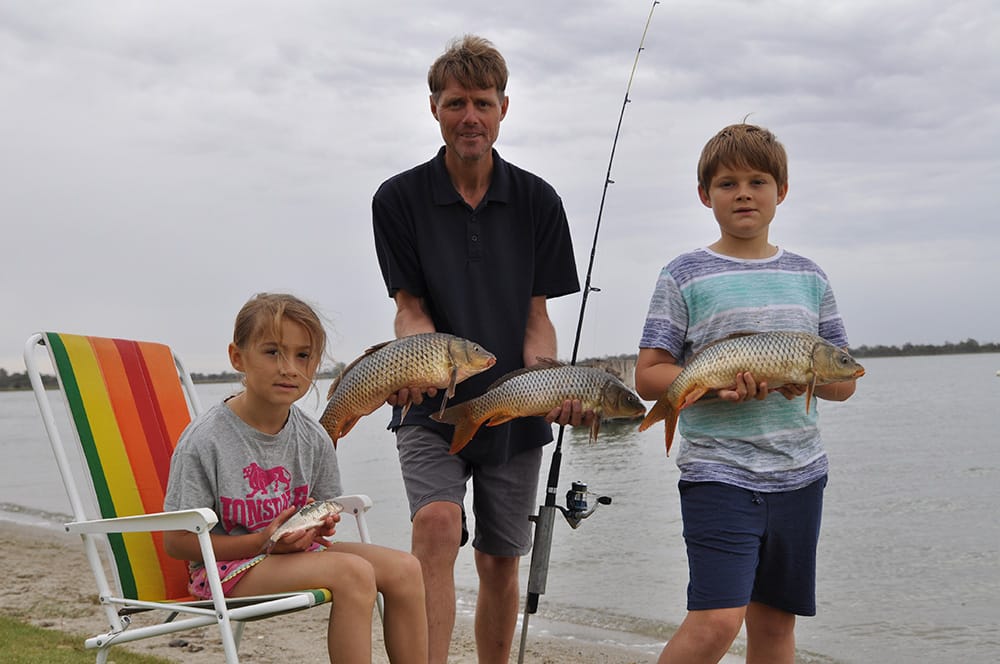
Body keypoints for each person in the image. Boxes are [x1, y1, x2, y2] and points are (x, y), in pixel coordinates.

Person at [371, 35, 587, 664]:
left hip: (513, 407)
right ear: (434, 108)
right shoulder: (397, 199)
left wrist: (547, 386)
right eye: (457, 102)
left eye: (483, 103)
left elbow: (537, 318)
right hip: (430, 406)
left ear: (504, 109)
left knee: (500, 560)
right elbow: (410, 309)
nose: (471, 116)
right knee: (435, 526)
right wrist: (411, 364)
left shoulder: (539, 201)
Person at [634, 123, 859, 664]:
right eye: (727, 183)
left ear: (781, 192)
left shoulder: (810, 277)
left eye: (758, 181)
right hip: (718, 473)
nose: (743, 193)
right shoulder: (683, 274)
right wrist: (709, 389)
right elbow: (649, 375)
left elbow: (843, 381)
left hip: (800, 476)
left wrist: (805, 378)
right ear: (704, 195)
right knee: (715, 623)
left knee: (776, 629)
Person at [163, 293, 428, 664]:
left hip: (290, 555)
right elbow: (175, 542)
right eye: (272, 352)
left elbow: (322, 506)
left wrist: (320, 524)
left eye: (302, 356)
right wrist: (262, 542)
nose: (289, 367)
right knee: (353, 573)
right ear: (238, 357)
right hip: (225, 570)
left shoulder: (312, 435)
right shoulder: (206, 440)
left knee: (405, 568)